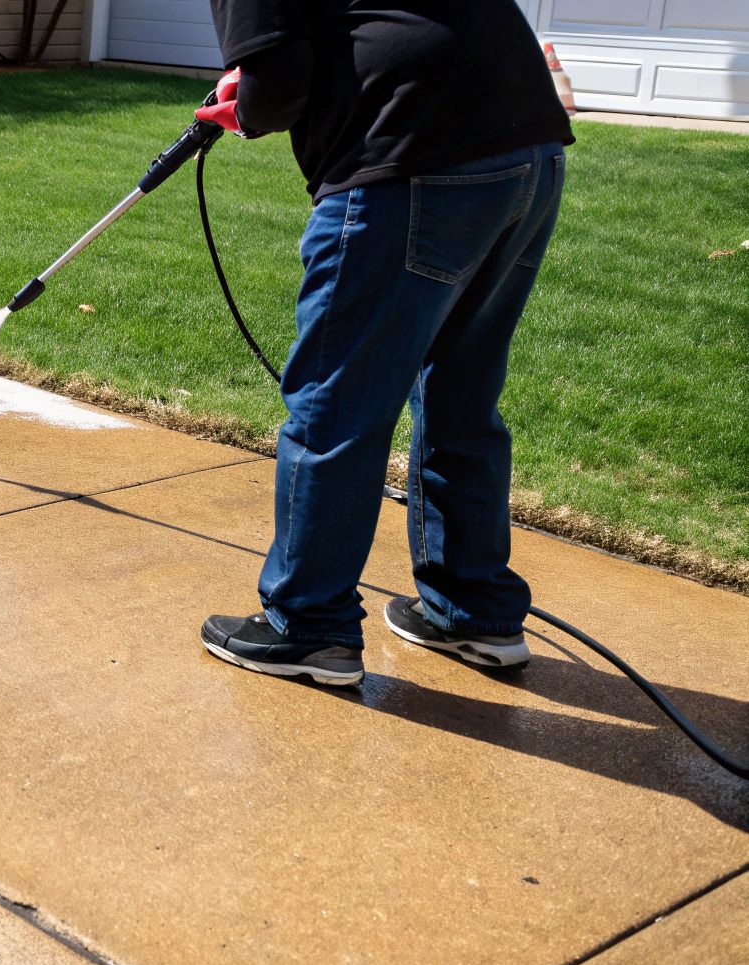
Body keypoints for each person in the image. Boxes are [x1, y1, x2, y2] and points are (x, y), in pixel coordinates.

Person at [193, 1, 575, 686]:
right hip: (529, 151)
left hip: (412, 154)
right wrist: (252, 89)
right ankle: (473, 611)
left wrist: (249, 107)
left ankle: (305, 625)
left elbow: (280, 84)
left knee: (338, 405)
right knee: (463, 392)